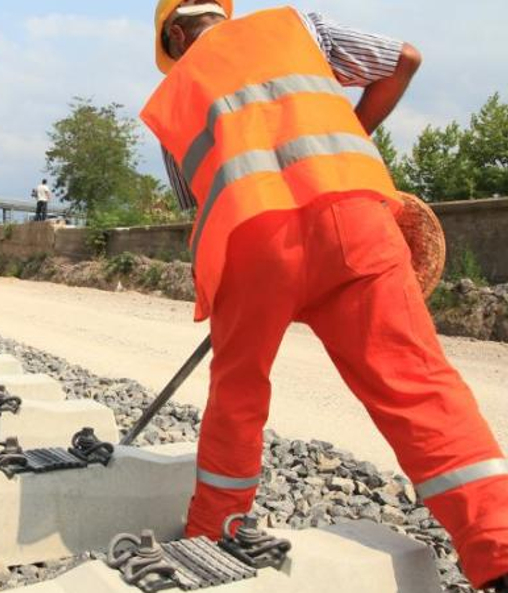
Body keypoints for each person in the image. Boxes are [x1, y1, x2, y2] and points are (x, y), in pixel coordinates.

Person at [141, 1, 508, 589]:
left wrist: (241, 295)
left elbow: (201, 205)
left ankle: (215, 532)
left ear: (177, 35)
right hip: (354, 218)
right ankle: (499, 549)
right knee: (419, 386)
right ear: (223, 14)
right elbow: (403, 60)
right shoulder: (299, 26)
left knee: (238, 395)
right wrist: (338, 150)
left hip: (252, 242)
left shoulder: (171, 98)